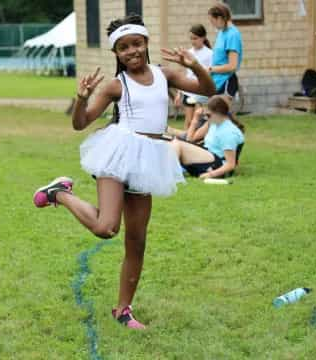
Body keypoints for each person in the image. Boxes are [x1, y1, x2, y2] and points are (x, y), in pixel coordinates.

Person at [32, 14, 215, 329]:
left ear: (145, 43)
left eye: (136, 44)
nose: (131, 51)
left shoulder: (164, 74)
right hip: (118, 153)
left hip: (150, 159)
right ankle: (59, 194)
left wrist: (195, 65)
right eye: (123, 47)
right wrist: (81, 98)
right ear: (115, 53)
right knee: (106, 227)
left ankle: (123, 310)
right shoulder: (117, 85)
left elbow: (208, 90)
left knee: (137, 241)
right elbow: (80, 123)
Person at [169, 95, 245, 179]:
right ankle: (170, 172)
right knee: (172, 142)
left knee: (177, 144)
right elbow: (190, 139)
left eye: (208, 115)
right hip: (208, 157)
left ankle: (169, 174)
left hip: (216, 165)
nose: (206, 118)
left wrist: (210, 174)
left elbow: (230, 164)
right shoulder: (213, 123)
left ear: (218, 113)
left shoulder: (229, 132)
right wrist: (195, 119)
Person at [174, 24, 213, 130]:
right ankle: (186, 142)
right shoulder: (188, 53)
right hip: (188, 91)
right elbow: (184, 73)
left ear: (203, 37)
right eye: (191, 38)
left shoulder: (210, 54)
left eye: (195, 38)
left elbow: (210, 73)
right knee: (189, 121)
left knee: (200, 120)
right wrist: (179, 93)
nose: (193, 41)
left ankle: (198, 142)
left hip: (201, 91)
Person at [207, 3, 243, 97]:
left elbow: (232, 66)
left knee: (219, 112)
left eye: (212, 21)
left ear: (219, 18)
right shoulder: (222, 32)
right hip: (217, 82)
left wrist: (211, 69)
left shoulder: (232, 35)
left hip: (226, 82)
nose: (212, 25)